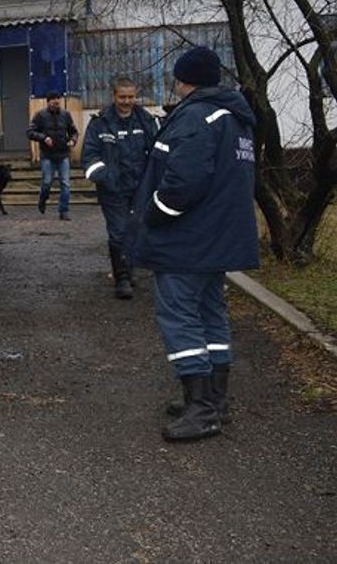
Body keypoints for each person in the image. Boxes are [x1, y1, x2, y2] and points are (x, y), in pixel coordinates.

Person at [127, 46, 258, 442]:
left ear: (184, 81)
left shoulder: (198, 118)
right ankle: (215, 401)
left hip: (186, 242)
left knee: (180, 318)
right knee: (211, 316)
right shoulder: (235, 118)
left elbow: (182, 183)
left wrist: (154, 214)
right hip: (216, 240)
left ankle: (200, 410)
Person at [81, 77, 159, 299]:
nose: (127, 101)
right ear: (113, 96)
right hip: (113, 191)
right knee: (118, 232)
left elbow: (158, 152)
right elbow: (89, 157)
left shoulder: (146, 121)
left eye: (131, 97)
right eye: (122, 97)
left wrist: (152, 182)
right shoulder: (100, 123)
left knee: (136, 230)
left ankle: (130, 267)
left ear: (136, 95)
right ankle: (122, 277)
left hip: (140, 190)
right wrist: (106, 178)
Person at [27, 90, 78, 220]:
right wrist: (43, 138)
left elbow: (73, 132)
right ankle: (43, 199)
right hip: (47, 155)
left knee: (65, 184)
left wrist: (73, 140)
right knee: (47, 182)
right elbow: (30, 132)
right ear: (48, 102)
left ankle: (64, 211)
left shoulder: (66, 115)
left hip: (63, 154)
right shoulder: (40, 116)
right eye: (53, 101)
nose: (56, 103)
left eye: (58, 100)